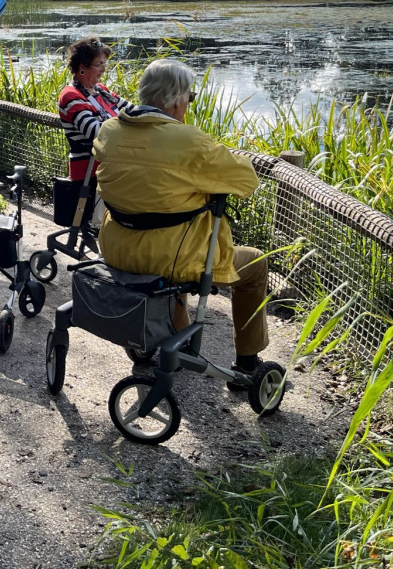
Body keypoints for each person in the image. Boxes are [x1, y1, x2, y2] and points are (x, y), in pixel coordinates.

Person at [91, 58, 269, 384]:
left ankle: (170, 335)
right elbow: (246, 181)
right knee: (254, 264)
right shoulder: (189, 142)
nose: (189, 103)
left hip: (117, 249)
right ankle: (247, 362)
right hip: (169, 257)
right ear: (175, 99)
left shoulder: (109, 131)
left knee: (173, 233)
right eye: (190, 97)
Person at [58, 36, 129, 181]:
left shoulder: (101, 90)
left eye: (105, 63)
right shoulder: (71, 95)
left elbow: (132, 110)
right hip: (89, 178)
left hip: (112, 172)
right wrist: (128, 125)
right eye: (99, 64)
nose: (104, 69)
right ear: (82, 67)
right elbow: (96, 132)